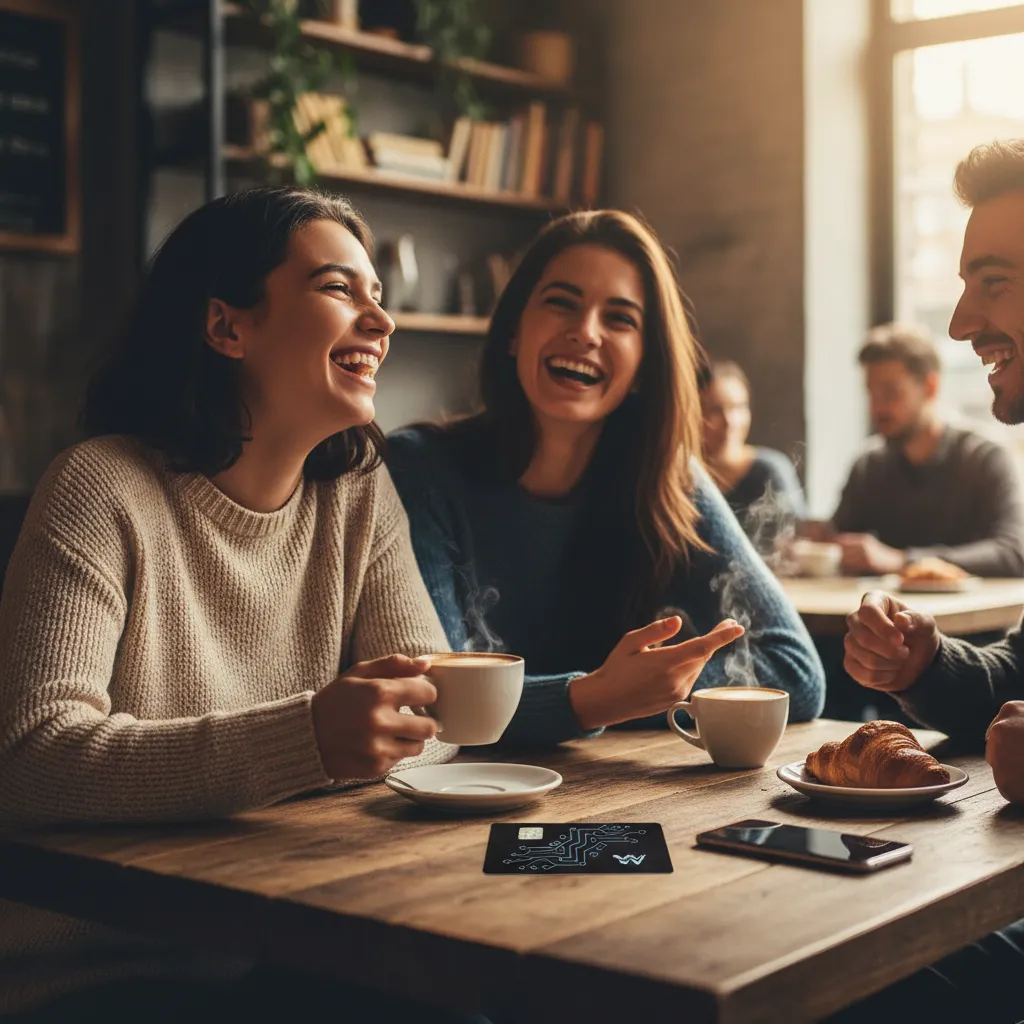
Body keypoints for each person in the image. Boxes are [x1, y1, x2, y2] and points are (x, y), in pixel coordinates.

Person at [0, 187, 489, 1024]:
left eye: (378, 295)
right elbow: (32, 758)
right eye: (340, 289)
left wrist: (380, 733)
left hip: (282, 947)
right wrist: (308, 742)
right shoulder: (101, 489)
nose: (381, 320)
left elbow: (431, 725)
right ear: (227, 327)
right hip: (95, 974)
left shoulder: (357, 495)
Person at [386, 210, 825, 739]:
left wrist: (628, 692)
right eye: (560, 304)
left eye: (620, 319)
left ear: (644, 364)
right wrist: (597, 696)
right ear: (512, 332)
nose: (585, 333)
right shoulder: (419, 468)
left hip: (621, 794)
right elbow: (441, 705)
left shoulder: (668, 478)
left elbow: (798, 675)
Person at [838, 140, 1024, 1024]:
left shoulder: (986, 459)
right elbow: (1014, 678)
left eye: (993, 281)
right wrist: (925, 662)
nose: (959, 324)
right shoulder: (875, 464)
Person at [830, 322, 1024, 578]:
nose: (876, 408)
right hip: (887, 614)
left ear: (930, 387)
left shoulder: (984, 459)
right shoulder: (868, 466)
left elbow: (1014, 553)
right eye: (871, 393)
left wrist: (903, 560)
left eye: (890, 393)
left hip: (971, 616)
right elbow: (839, 541)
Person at [700, 359, 806, 543]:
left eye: (738, 407)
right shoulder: (682, 476)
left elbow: (799, 538)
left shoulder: (770, 471)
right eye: (715, 410)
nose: (730, 422)